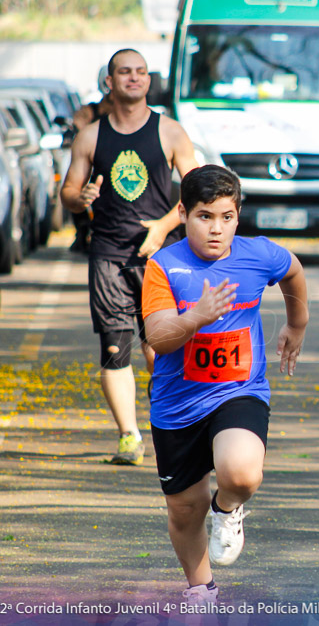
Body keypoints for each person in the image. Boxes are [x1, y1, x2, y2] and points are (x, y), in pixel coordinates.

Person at [141, 165, 308, 605]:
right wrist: (197, 315)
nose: (217, 229)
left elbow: (292, 270)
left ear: (238, 216)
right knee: (184, 508)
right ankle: (201, 590)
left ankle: (228, 509)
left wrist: (298, 322)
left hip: (238, 391)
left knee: (241, 473)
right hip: (177, 405)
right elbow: (157, 337)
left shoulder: (257, 254)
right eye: (204, 216)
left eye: (226, 217)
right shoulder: (164, 266)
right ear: (182, 213)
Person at [60, 48, 199, 465]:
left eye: (141, 72)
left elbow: (199, 192)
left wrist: (163, 226)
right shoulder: (91, 136)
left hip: (160, 257)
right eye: (125, 72)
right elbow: (67, 192)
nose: (134, 78)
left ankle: (176, 424)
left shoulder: (170, 132)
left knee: (163, 348)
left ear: (148, 81)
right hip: (108, 254)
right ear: (110, 81)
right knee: (115, 347)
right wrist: (79, 198)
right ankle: (129, 436)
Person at [67, 65, 114, 254]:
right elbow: (78, 122)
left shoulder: (129, 115)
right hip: (95, 165)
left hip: (118, 168)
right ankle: (82, 229)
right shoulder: (90, 111)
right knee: (75, 184)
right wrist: (75, 129)